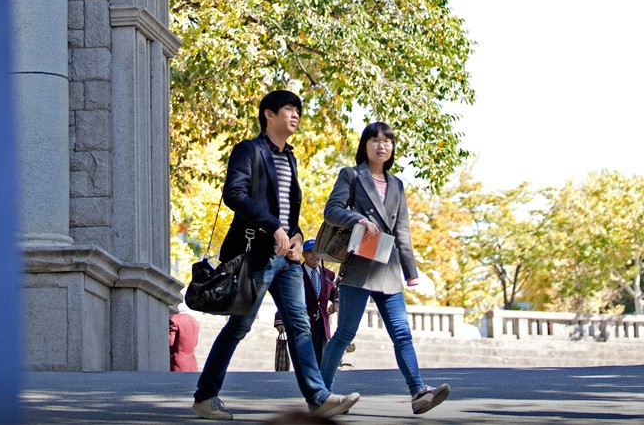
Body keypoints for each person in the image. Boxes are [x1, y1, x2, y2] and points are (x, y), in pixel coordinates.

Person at [191, 90, 360, 421]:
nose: (295, 115)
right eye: (289, 109)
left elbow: (287, 212)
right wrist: (274, 228)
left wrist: (295, 235)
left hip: (288, 260)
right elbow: (234, 194)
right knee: (239, 326)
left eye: (298, 110)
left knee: (300, 324)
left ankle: (318, 397)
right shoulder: (249, 151)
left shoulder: (290, 159)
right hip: (256, 255)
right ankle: (205, 396)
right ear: (269, 114)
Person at [318, 121, 451, 415]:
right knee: (344, 334)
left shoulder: (398, 184)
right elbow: (331, 210)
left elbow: (402, 231)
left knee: (402, 333)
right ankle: (322, 395)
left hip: (388, 269)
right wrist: (358, 219)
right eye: (375, 140)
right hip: (359, 265)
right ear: (365, 145)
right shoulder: (351, 175)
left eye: (388, 141)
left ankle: (418, 391)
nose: (382, 146)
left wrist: (411, 271)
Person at [274, 239, 339, 364]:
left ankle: (320, 382)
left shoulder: (328, 274)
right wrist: (280, 319)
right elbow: (286, 298)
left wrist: (337, 302)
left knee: (321, 360)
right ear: (303, 254)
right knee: (305, 361)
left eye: (317, 252)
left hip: (322, 325)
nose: (314, 255)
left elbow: (334, 292)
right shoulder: (295, 273)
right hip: (302, 323)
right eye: (310, 252)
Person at [170, 305, 200, 372]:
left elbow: (170, 342)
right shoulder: (194, 321)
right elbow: (195, 343)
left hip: (177, 363)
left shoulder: (174, 320)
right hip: (192, 363)